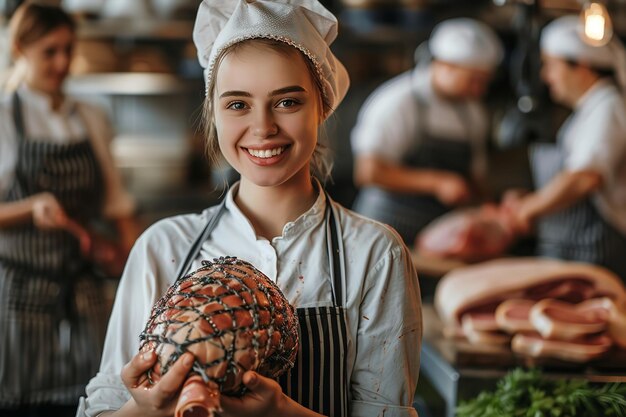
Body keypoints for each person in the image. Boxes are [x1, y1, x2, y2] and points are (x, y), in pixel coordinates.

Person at [77, 1, 422, 417]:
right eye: (238, 104)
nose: (263, 128)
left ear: (322, 105)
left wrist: (282, 412)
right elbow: (101, 410)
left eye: (287, 102)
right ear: (215, 115)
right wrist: (145, 410)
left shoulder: (374, 254)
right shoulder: (162, 247)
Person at [0, 3, 140, 416]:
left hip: (85, 292)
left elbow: (116, 203)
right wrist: (30, 208)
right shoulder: (4, 118)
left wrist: (133, 261)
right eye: (49, 51)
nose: (62, 62)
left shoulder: (91, 116)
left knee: (95, 401)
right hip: (22, 294)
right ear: (22, 49)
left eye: (68, 49)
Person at [350, 18, 504, 245]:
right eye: (472, 80)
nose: (478, 89)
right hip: (384, 227)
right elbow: (367, 172)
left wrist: (487, 205)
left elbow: (476, 175)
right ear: (444, 65)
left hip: (439, 233)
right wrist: (437, 183)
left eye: (484, 82)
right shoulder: (399, 101)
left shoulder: (473, 112)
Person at [507, 15, 626, 280]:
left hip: (595, 249)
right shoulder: (587, 111)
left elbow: (585, 178)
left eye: (550, 65)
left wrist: (529, 209)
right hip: (571, 251)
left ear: (580, 66)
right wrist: (529, 199)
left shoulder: (608, 107)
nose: (545, 76)